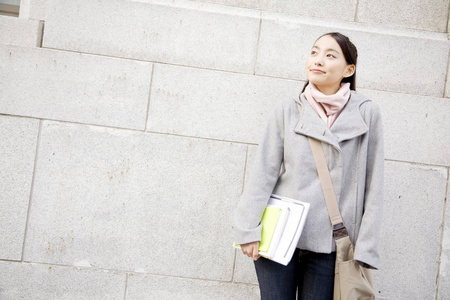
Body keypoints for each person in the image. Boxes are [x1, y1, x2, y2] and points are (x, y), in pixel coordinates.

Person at [233, 32, 384, 299]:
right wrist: (247, 229)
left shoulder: (366, 113)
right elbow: (263, 173)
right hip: (277, 236)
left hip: (330, 244)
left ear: (349, 69)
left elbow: (374, 184)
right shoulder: (288, 110)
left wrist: (366, 248)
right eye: (314, 52)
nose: (318, 60)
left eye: (330, 55)